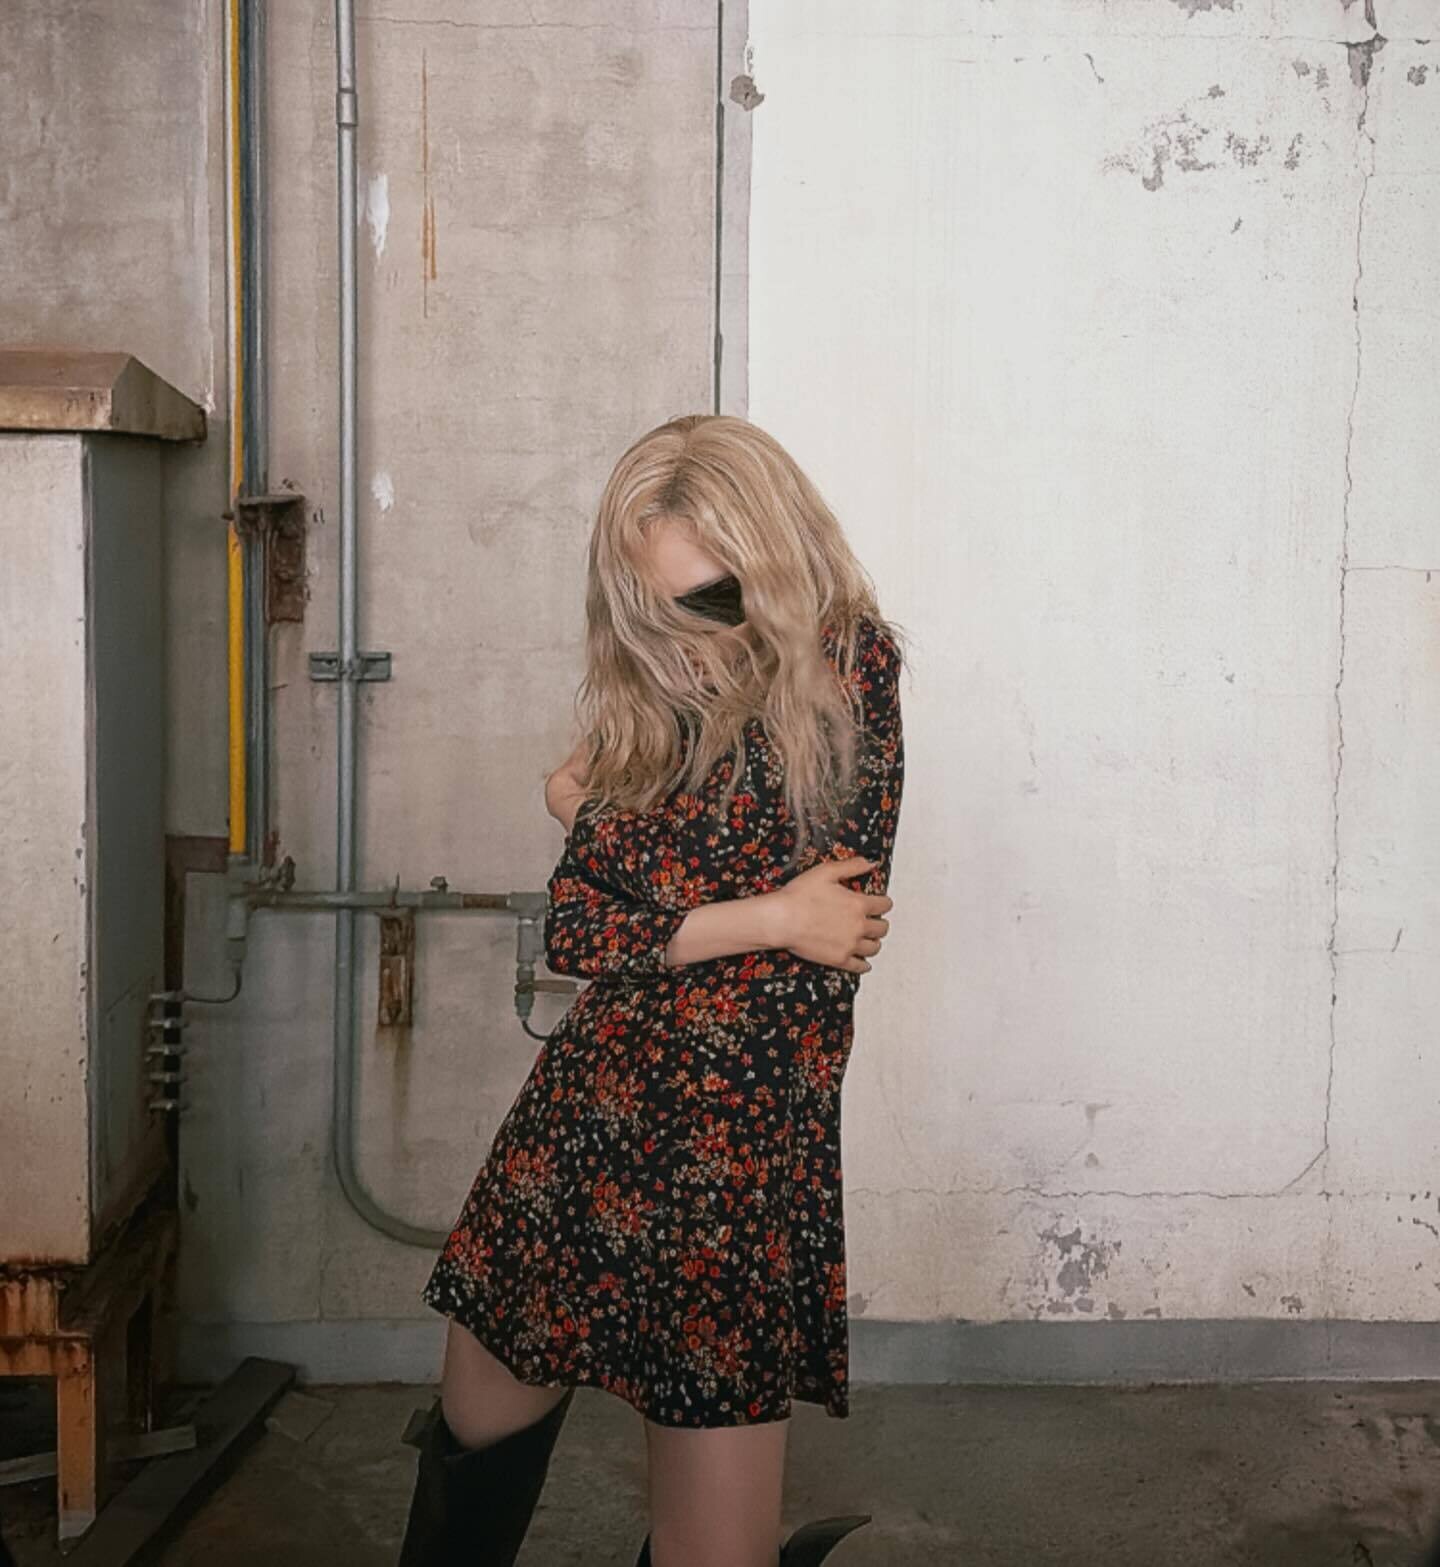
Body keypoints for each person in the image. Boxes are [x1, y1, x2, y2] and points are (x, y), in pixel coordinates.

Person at [398, 413, 907, 1567]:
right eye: (661, 608)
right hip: (591, 1109)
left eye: (717, 598)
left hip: (736, 1140)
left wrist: (588, 817)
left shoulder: (852, 663)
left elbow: (802, 888)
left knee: (714, 1543)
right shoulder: (657, 698)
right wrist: (771, 916)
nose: (693, 635)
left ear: (777, 557)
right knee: (475, 1432)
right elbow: (580, 930)